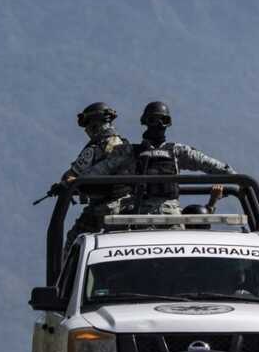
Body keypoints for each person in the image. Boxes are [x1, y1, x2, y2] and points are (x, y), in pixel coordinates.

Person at [80, 102, 235, 216]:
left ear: (168, 123)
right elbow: (100, 170)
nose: (158, 125)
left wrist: (235, 178)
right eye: (153, 120)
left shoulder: (177, 151)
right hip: (139, 215)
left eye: (163, 120)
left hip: (171, 214)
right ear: (145, 122)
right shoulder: (129, 151)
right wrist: (78, 181)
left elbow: (209, 164)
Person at [61, 102, 130, 250]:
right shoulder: (122, 145)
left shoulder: (98, 147)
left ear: (95, 124)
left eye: (88, 125)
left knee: (74, 244)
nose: (87, 130)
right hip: (122, 205)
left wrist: (70, 183)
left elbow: (72, 174)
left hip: (104, 207)